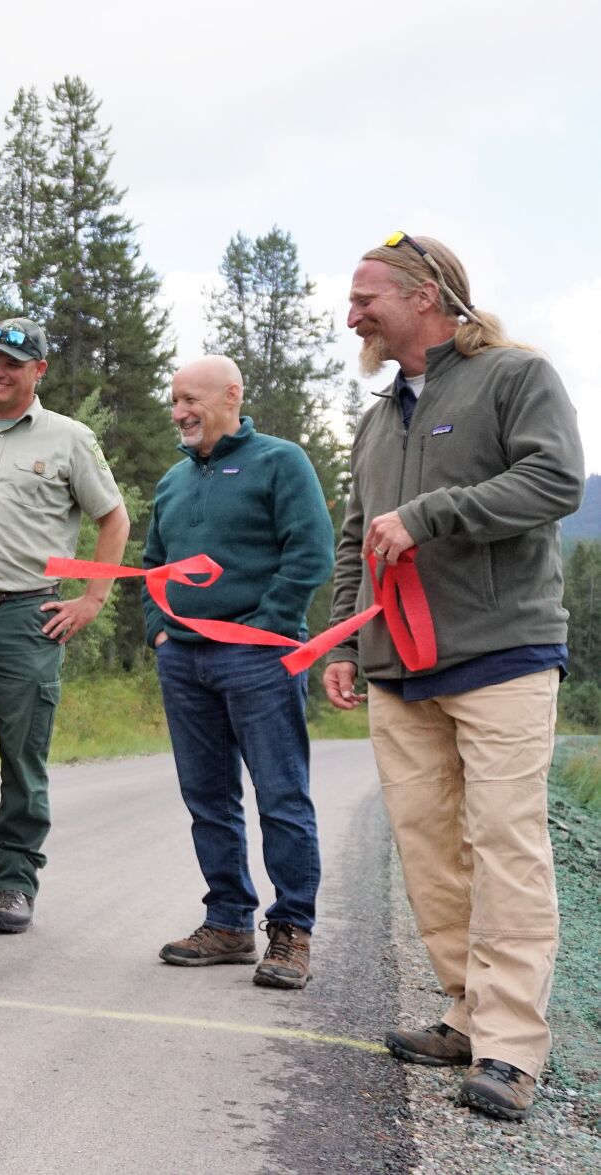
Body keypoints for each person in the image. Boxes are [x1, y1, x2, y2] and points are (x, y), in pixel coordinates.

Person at [326, 234, 583, 1122]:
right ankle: (466, 1011)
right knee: (430, 847)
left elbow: (554, 481)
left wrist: (430, 514)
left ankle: (512, 1047)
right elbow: (355, 531)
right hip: (397, 665)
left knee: (503, 845)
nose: (351, 312)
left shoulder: (514, 376)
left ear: (426, 294)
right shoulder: (373, 415)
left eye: (365, 297)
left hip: (501, 653)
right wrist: (339, 644)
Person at [0, 317, 129, 933]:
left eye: (13, 362)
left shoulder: (70, 439)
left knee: (22, 760)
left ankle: (16, 885)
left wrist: (93, 600)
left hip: (28, 617)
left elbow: (114, 518)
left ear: (38, 370)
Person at [144, 356, 333, 989]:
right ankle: (228, 922)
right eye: (174, 402)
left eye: (190, 400)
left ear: (232, 395)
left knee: (281, 794)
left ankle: (291, 931)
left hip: (259, 659)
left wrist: (267, 626)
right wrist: (159, 631)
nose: (179, 413)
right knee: (207, 797)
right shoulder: (172, 481)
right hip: (184, 660)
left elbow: (311, 551)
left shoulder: (281, 461)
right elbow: (152, 565)